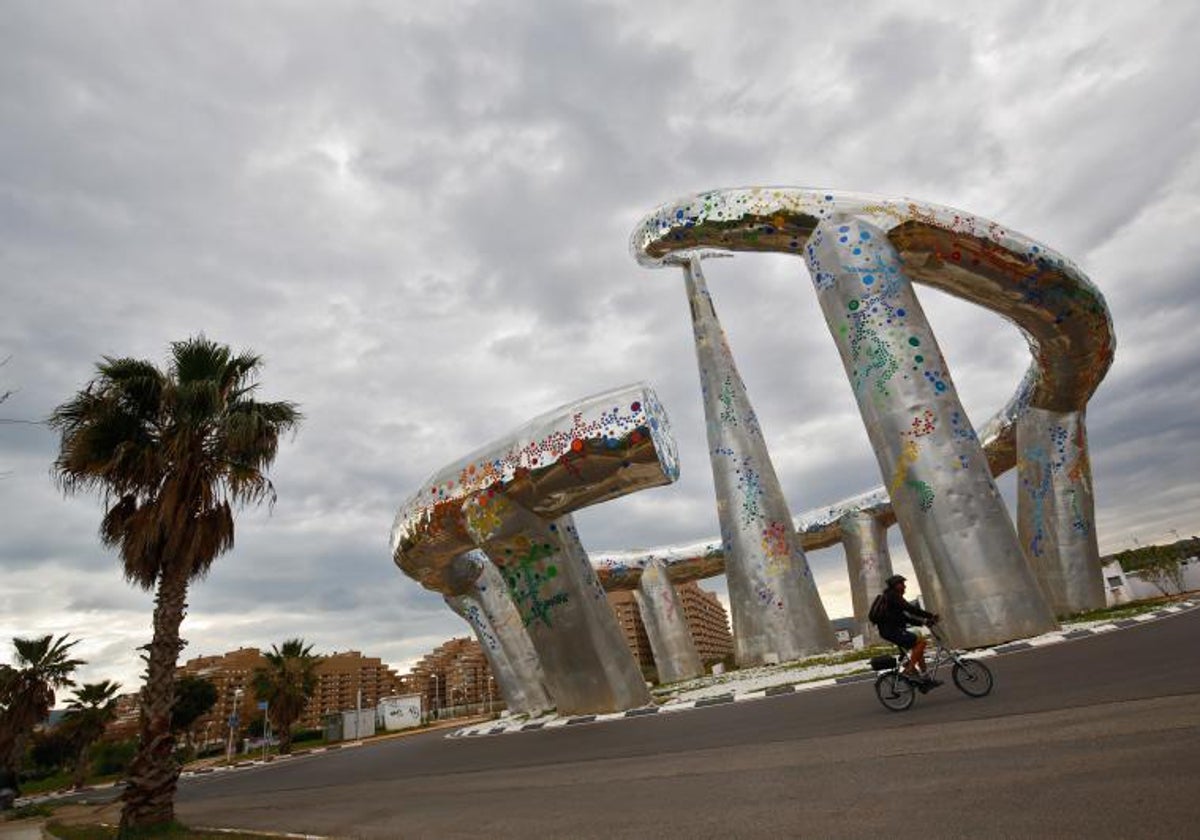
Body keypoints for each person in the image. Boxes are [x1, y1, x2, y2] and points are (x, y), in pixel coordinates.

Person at [876, 574, 941, 687]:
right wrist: (930, 615)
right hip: (891, 631)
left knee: (918, 648)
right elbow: (910, 609)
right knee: (921, 642)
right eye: (901, 584)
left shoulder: (891, 597)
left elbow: (905, 618)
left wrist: (923, 622)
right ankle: (910, 669)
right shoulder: (893, 596)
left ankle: (925, 678)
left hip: (892, 630)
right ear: (895, 585)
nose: (904, 586)